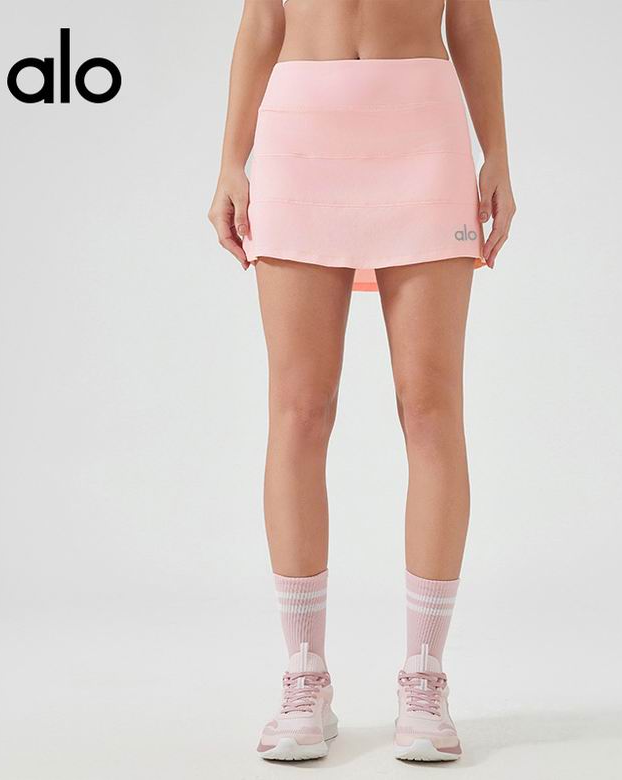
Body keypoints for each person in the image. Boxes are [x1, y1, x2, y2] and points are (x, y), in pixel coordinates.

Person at [208, 0, 515, 762]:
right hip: (301, 134)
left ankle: (425, 676)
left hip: (423, 135)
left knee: (431, 408)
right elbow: (263, 19)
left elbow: (470, 21)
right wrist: (231, 161)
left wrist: (497, 154)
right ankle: (304, 674)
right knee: (299, 410)